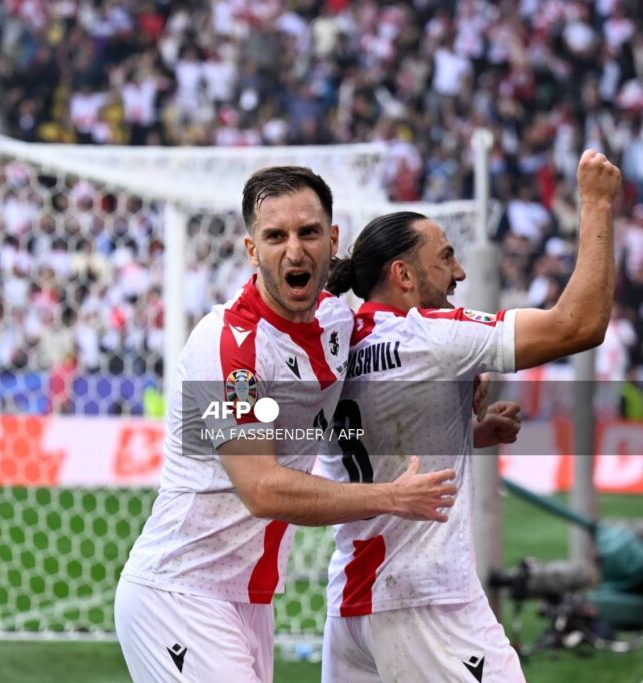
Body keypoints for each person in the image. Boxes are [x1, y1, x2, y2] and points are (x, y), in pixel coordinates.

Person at [115, 166, 459, 683]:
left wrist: (464, 398)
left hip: (249, 598)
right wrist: (392, 497)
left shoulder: (336, 322)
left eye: (308, 233)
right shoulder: (229, 348)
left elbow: (372, 393)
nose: (294, 250)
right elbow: (264, 489)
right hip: (180, 592)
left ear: (332, 239)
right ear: (252, 250)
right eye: (275, 236)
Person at [318, 149, 621, 682]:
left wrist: (463, 429)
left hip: (351, 608)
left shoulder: (338, 340)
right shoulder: (429, 335)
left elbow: (364, 437)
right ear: (403, 275)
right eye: (446, 257)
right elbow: (579, 325)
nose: (458, 272)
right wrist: (596, 204)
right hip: (426, 599)